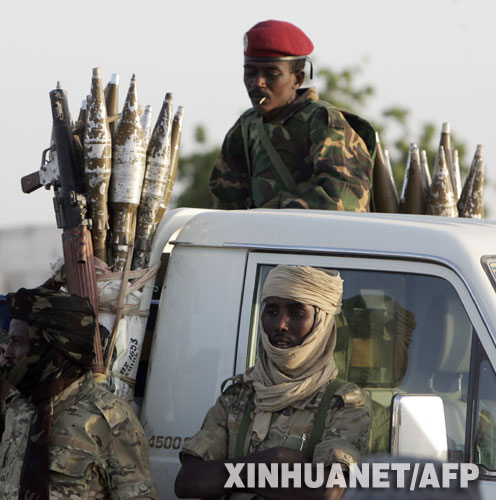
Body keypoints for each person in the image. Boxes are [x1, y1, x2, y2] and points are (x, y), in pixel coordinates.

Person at [175, 265, 371, 499]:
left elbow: (326, 491)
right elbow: (187, 482)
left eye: (297, 313)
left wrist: (230, 477)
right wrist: (271, 461)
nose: (280, 325)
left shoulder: (343, 403)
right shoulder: (239, 395)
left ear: (322, 323)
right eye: (272, 311)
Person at [0, 286, 158, 500]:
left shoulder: (110, 419)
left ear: (52, 348)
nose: (8, 353)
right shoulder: (17, 406)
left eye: (18, 342)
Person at [209, 19, 376, 212]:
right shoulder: (247, 126)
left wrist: (271, 212)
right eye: (250, 73)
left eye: (271, 73)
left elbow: (343, 201)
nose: (258, 83)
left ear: (297, 79)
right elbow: (226, 203)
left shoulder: (325, 123)